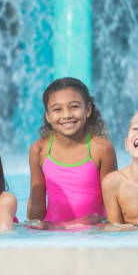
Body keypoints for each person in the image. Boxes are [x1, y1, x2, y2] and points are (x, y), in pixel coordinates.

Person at [27, 77, 117, 222]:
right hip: (53, 232)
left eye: (74, 107)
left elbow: (113, 201)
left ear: (87, 110)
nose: (67, 115)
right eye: (57, 109)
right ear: (48, 116)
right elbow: (36, 203)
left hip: (93, 233)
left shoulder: (101, 149)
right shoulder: (39, 150)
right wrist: (31, 233)